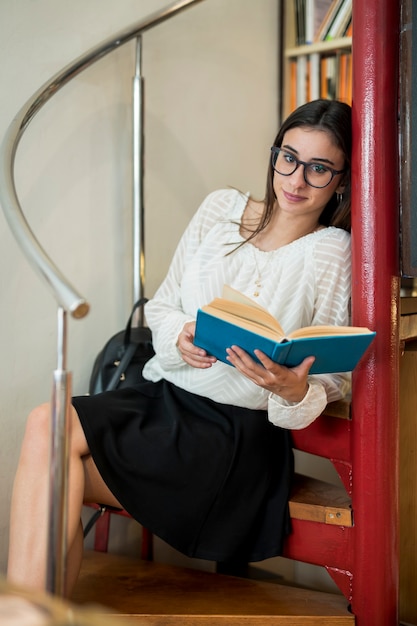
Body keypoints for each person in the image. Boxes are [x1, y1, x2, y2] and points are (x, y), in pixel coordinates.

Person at [7, 98, 352, 596]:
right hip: (163, 396)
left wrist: (293, 389)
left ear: (340, 179)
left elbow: (332, 376)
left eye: (319, 169)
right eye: (289, 158)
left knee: (60, 473)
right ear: (275, 154)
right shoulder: (221, 208)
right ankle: (28, 612)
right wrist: (180, 337)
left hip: (233, 433)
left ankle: (27, 612)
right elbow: (163, 305)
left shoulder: (332, 251)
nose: (296, 180)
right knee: (48, 422)